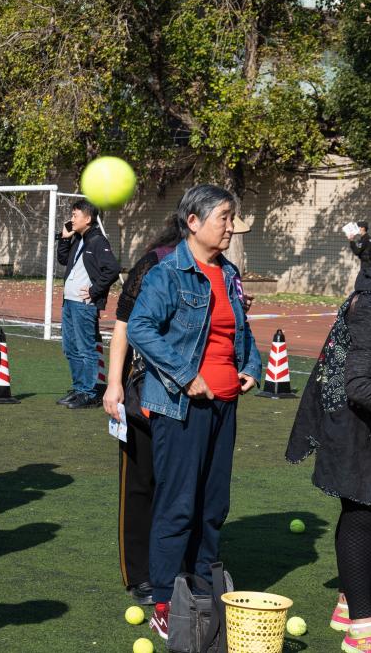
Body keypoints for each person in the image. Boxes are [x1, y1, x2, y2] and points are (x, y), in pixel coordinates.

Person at [126, 184, 261, 641]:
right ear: (193, 222)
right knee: (178, 505)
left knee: (213, 504)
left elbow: (240, 329)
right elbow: (140, 327)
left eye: (231, 217)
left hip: (225, 405)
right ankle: (167, 601)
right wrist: (186, 376)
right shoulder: (169, 273)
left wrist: (251, 366)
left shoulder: (229, 272)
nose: (230, 227)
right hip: (182, 406)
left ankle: (204, 591)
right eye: (224, 217)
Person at [286, 286, 371, 652]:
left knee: (364, 513)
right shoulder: (369, 304)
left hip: (359, 423)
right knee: (361, 511)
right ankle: (362, 628)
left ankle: (349, 601)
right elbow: (360, 385)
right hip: (353, 423)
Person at [102, 215, 182, 607]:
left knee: (180, 487)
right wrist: (114, 383)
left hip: (192, 397)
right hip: (144, 392)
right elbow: (123, 324)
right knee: (139, 483)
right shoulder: (155, 262)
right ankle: (140, 574)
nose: (230, 230)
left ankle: (177, 567)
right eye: (225, 219)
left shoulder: (221, 269)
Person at [56, 199, 120, 409]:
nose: (71, 219)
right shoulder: (78, 239)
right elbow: (63, 260)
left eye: (75, 215)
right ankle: (79, 389)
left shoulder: (98, 241)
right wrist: (64, 239)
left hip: (84, 305)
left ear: (88, 218)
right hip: (69, 303)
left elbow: (112, 269)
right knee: (70, 348)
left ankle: (89, 393)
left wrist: (94, 291)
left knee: (86, 349)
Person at [348, 220, 371, 291]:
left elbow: (357, 251)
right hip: (370, 266)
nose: (356, 229)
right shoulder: (370, 239)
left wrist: (351, 241)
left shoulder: (364, 239)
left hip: (366, 267)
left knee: (359, 285)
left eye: (357, 227)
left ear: (363, 228)